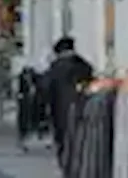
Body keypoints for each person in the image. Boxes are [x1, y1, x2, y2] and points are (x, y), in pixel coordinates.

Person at [41, 36, 95, 170]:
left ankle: (66, 167)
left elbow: (45, 90)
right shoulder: (84, 66)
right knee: (80, 141)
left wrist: (44, 114)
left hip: (60, 112)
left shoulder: (54, 68)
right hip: (82, 109)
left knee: (63, 142)